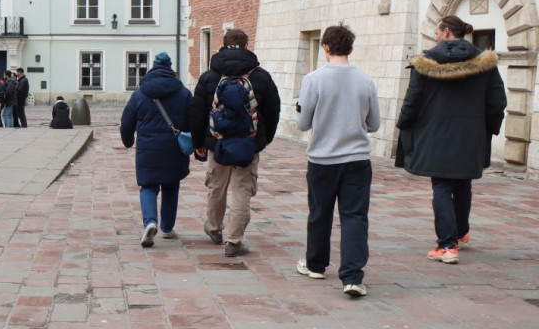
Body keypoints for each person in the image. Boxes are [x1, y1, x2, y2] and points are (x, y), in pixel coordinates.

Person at [396, 15, 506, 265]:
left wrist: (403, 125)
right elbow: (497, 101)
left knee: (442, 186)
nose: (435, 36)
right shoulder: (485, 64)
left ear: (446, 32)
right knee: (463, 183)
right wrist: (488, 129)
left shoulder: (425, 64)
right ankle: (460, 232)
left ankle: (447, 245)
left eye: (436, 31)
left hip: (435, 136)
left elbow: (412, 101)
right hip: (470, 136)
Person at [296, 24, 380, 298]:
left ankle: (316, 264)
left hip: (322, 159)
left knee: (320, 213)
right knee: (355, 216)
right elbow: (374, 124)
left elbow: (303, 124)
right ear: (350, 48)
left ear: (326, 48)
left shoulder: (314, 79)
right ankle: (353, 277)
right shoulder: (366, 80)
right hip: (356, 158)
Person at [190, 29, 281, 257]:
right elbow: (273, 111)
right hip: (247, 143)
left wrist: (198, 142)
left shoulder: (209, 76)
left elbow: (198, 112)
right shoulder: (261, 76)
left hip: (217, 142)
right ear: (246, 44)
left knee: (216, 186)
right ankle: (234, 240)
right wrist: (263, 139)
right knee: (242, 189)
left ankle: (213, 229)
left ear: (223, 44)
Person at [120, 53, 191, 247]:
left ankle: (150, 222)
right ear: (170, 68)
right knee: (171, 185)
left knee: (148, 186)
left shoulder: (140, 93)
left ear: (153, 67)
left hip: (147, 148)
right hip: (173, 148)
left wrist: (127, 141)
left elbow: (127, 121)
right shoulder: (183, 92)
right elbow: (194, 118)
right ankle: (167, 228)